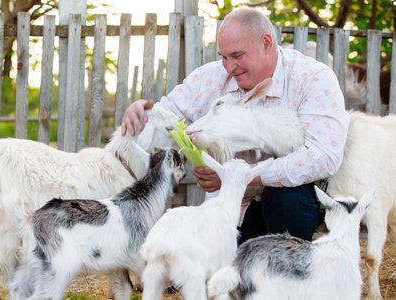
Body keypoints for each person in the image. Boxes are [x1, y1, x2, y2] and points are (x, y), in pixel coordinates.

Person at [121, 8, 349, 244]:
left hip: (289, 207)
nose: (229, 67)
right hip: (230, 209)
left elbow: (323, 156)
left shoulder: (313, 79)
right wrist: (143, 112)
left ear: (266, 43)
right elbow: (168, 117)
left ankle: (287, 271)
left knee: (286, 199)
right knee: (212, 268)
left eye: (237, 55)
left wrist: (237, 176)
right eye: (224, 57)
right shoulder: (211, 78)